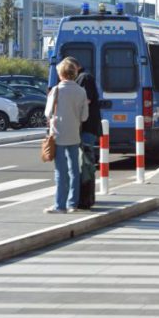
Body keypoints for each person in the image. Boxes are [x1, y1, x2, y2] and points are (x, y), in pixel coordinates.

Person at [43, 58, 89, 214]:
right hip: (74, 135)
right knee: (74, 170)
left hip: (58, 135)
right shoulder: (81, 91)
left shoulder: (56, 90)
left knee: (60, 172)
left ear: (60, 73)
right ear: (74, 73)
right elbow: (84, 117)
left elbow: (47, 113)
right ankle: (72, 204)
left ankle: (59, 205)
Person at [65, 57, 102, 209]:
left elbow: (85, 100)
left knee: (85, 163)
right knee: (84, 162)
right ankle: (85, 197)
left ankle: (86, 198)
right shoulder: (83, 77)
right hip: (86, 126)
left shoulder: (84, 78)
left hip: (87, 127)